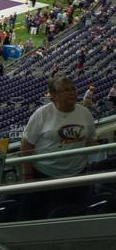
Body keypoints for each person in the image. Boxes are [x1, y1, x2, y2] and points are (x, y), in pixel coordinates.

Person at [20, 77, 96, 217]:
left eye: (73, 89)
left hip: (78, 176)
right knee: (47, 216)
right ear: (54, 95)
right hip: (45, 176)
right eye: (66, 90)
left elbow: (90, 140)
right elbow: (26, 145)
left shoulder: (85, 113)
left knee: (75, 214)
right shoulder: (42, 114)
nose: (72, 93)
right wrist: (28, 174)